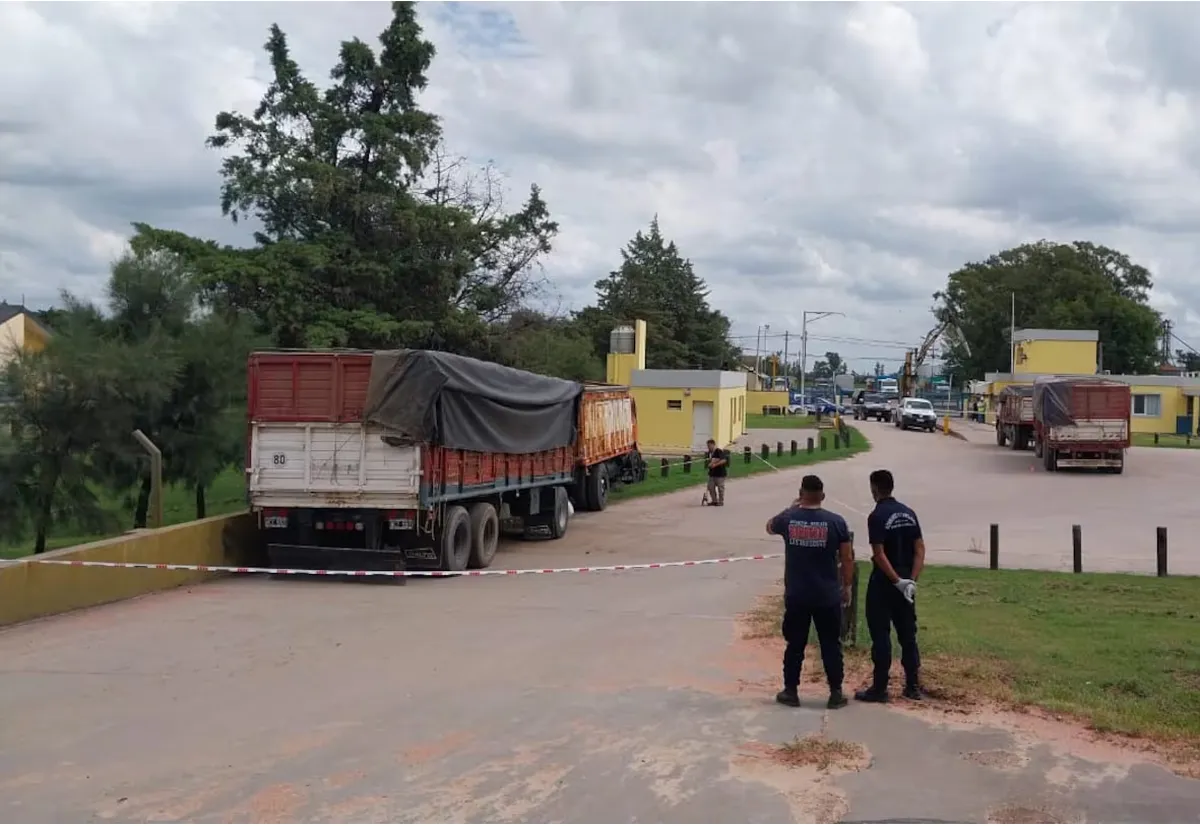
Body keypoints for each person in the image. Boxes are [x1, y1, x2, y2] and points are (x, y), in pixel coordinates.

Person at [765, 474, 853, 710]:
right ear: (822, 496)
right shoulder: (836, 522)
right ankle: (835, 692)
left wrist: (791, 507)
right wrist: (847, 587)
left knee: (795, 644)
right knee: (831, 645)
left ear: (801, 493)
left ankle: (791, 691)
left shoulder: (790, 519)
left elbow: (769, 527)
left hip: (797, 594)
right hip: (827, 595)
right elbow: (846, 558)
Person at [856, 469, 926, 703]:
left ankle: (880, 688)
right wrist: (911, 582)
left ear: (874, 488)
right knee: (908, 635)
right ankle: (913, 686)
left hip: (885, 584)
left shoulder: (876, 516)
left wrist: (895, 581)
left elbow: (879, 554)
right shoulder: (909, 513)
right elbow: (920, 549)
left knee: (881, 635)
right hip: (907, 584)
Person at [704, 438, 727, 506]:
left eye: (709, 446)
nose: (708, 447)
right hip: (712, 474)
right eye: (707, 446)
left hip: (720, 474)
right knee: (710, 487)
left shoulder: (718, 451)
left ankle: (720, 501)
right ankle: (714, 500)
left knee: (720, 488)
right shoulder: (710, 453)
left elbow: (724, 460)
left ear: (713, 445)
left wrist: (715, 465)